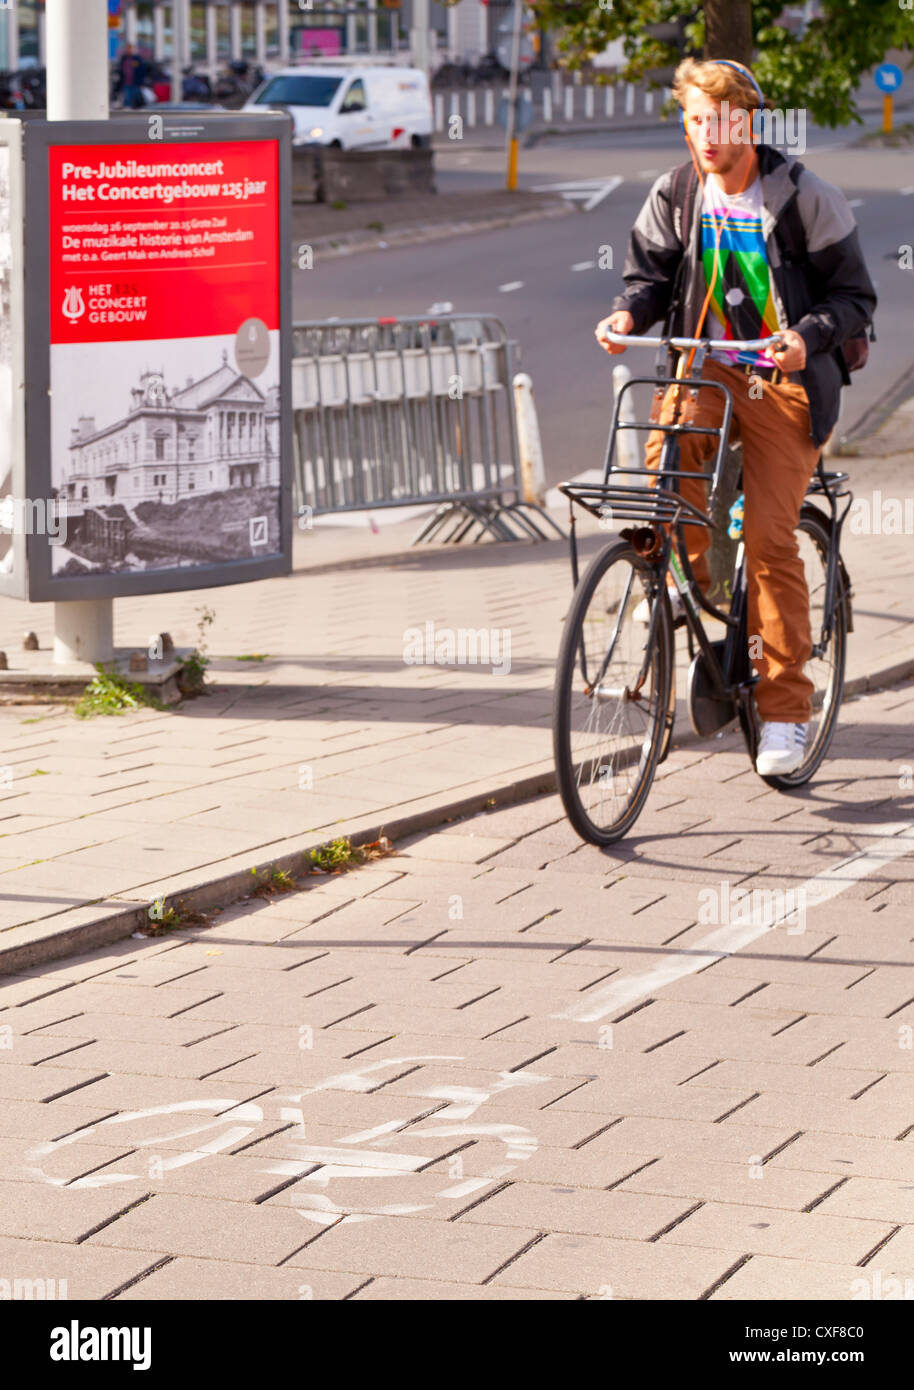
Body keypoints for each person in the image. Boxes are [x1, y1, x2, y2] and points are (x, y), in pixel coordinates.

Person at [596, 57, 876, 777]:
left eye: (719, 122)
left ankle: (785, 712)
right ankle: (696, 599)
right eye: (694, 121)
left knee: (772, 539)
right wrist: (628, 312)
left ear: (748, 121)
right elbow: (650, 281)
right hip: (703, 371)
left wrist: (804, 339)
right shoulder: (677, 193)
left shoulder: (802, 196)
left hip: (780, 382)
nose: (706, 137)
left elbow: (854, 299)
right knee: (664, 503)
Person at [116, 43, 148, 109]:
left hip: (135, 81)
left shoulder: (137, 58)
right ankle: (127, 107)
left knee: (135, 95)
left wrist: (141, 82)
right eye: (128, 49)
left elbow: (141, 71)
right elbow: (121, 70)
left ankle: (135, 107)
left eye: (130, 49)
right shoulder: (124, 58)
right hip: (126, 81)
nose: (129, 50)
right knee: (127, 96)